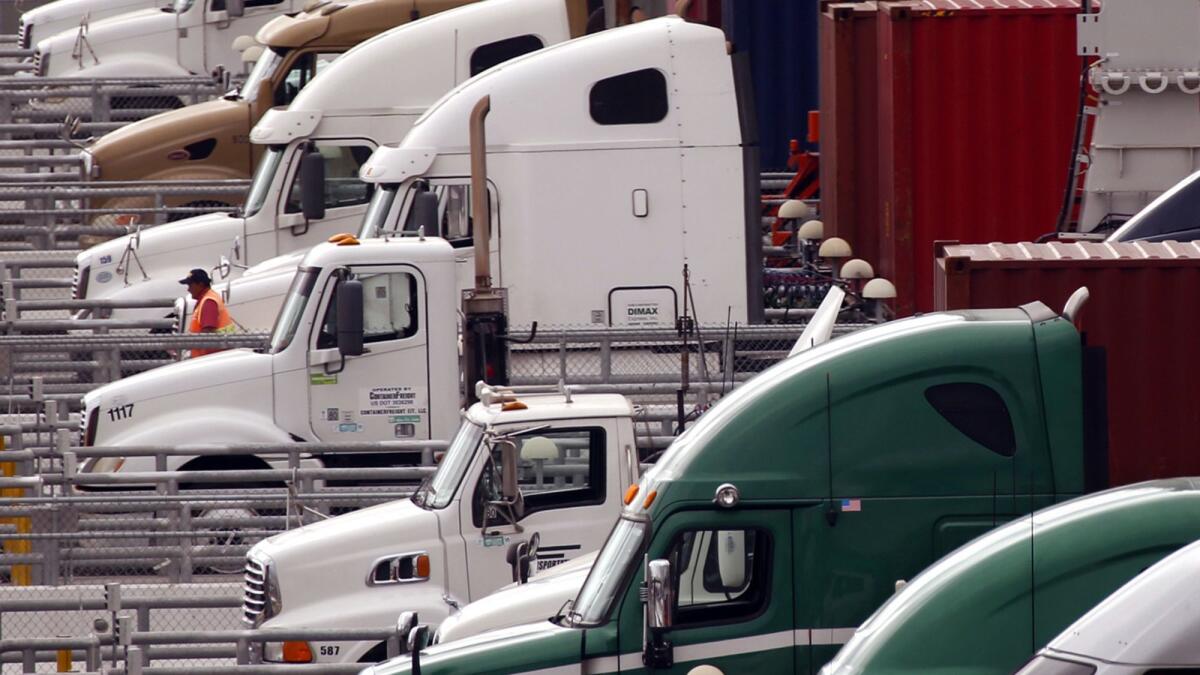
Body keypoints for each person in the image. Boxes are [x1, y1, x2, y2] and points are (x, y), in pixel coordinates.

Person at [179, 268, 234, 357]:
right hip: (212, 356)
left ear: (200, 284)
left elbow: (208, 334)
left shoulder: (208, 302)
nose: (188, 289)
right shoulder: (207, 298)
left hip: (210, 358)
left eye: (190, 285)